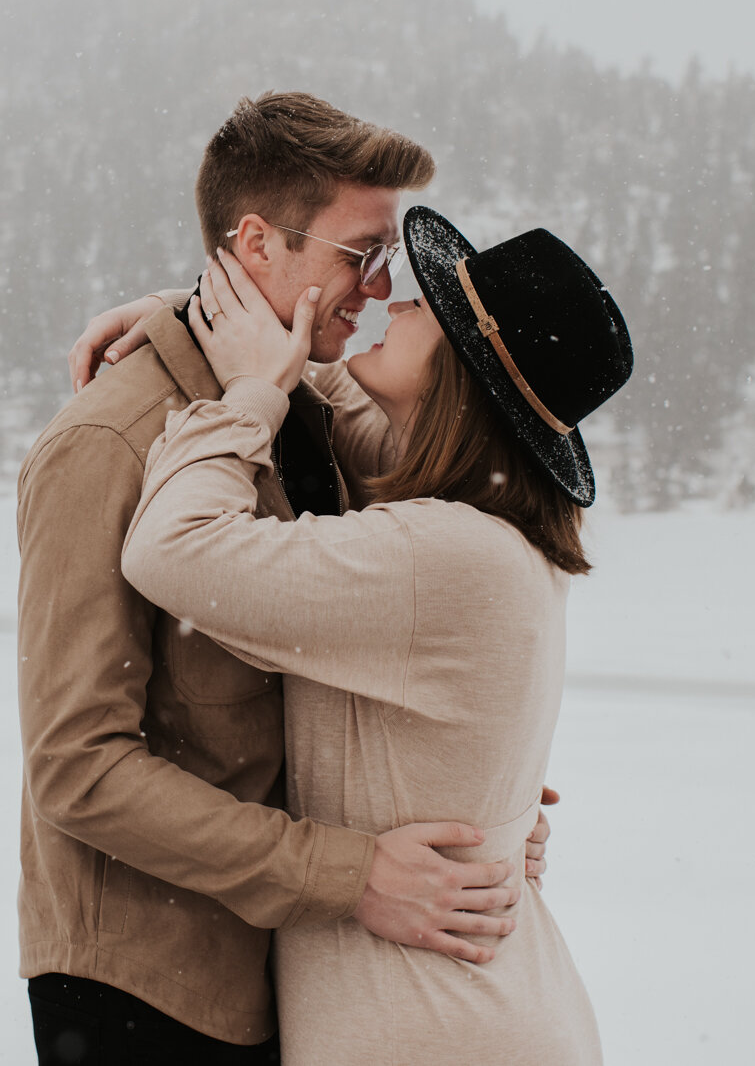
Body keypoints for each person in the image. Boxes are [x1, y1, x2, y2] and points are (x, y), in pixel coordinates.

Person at [17, 94, 550, 1065]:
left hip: (294, 984)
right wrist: (349, 874)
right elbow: (76, 771)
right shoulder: (107, 443)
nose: (381, 286)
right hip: (146, 991)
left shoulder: (307, 414)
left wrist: (484, 793)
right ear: (256, 243)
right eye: (361, 253)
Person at [120, 208, 634, 1064]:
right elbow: (321, 391)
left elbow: (170, 547)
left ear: (462, 377)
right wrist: (185, 316)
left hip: (439, 1029)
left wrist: (246, 395)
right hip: (482, 1013)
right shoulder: (496, 534)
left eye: (424, 307)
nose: (391, 301)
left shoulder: (447, 555)